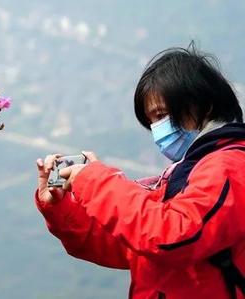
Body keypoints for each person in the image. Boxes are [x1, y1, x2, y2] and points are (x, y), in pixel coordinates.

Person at [35, 46, 245, 298]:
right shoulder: (184, 174)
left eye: (162, 115)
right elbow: (125, 241)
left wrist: (94, 181)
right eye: (152, 121)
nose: (157, 129)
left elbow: (174, 236)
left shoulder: (230, 166)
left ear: (204, 106)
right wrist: (62, 208)